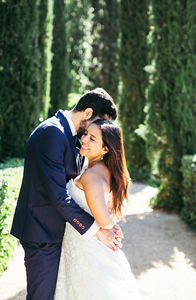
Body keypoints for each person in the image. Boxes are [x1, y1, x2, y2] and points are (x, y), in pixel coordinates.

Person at [11, 88, 123, 300]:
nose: (99, 130)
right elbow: (58, 195)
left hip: (59, 234)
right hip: (42, 234)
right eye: (99, 122)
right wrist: (97, 230)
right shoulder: (52, 133)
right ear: (88, 113)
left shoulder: (72, 136)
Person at [54, 119, 139, 300]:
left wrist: (110, 227)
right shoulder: (99, 168)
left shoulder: (92, 175)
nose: (84, 140)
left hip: (88, 249)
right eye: (86, 134)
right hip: (81, 244)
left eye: (92, 139)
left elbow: (103, 220)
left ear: (105, 149)